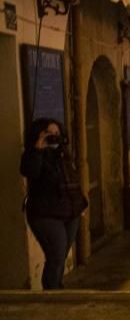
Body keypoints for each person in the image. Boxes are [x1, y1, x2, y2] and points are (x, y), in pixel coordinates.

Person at [20, 118, 88, 290]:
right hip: (45, 215)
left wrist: (81, 205)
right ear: (39, 134)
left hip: (70, 213)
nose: (54, 137)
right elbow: (30, 172)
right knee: (56, 254)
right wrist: (38, 149)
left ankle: (56, 288)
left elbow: (72, 181)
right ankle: (52, 293)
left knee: (60, 256)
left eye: (57, 133)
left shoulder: (63, 154)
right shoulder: (33, 155)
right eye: (49, 133)